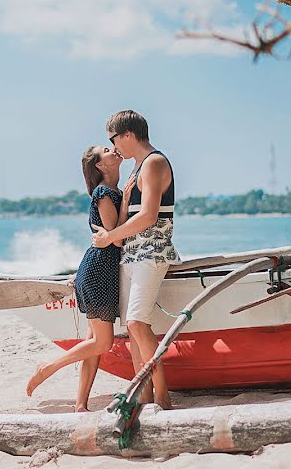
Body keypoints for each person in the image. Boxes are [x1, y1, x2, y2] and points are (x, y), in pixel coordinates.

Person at [26, 144, 129, 412]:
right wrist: (128, 202)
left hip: (102, 271)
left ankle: (80, 404)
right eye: (107, 149)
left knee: (94, 342)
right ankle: (48, 366)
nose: (114, 149)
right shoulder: (105, 193)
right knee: (102, 343)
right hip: (99, 272)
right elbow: (115, 239)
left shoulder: (115, 191)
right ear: (100, 165)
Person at [91, 110, 179, 409]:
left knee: (137, 324)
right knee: (133, 328)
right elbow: (132, 215)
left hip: (150, 253)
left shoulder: (154, 162)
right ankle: (143, 395)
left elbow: (150, 216)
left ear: (127, 134)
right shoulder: (137, 168)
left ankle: (163, 397)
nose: (114, 147)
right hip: (132, 254)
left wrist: (109, 237)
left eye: (114, 139)